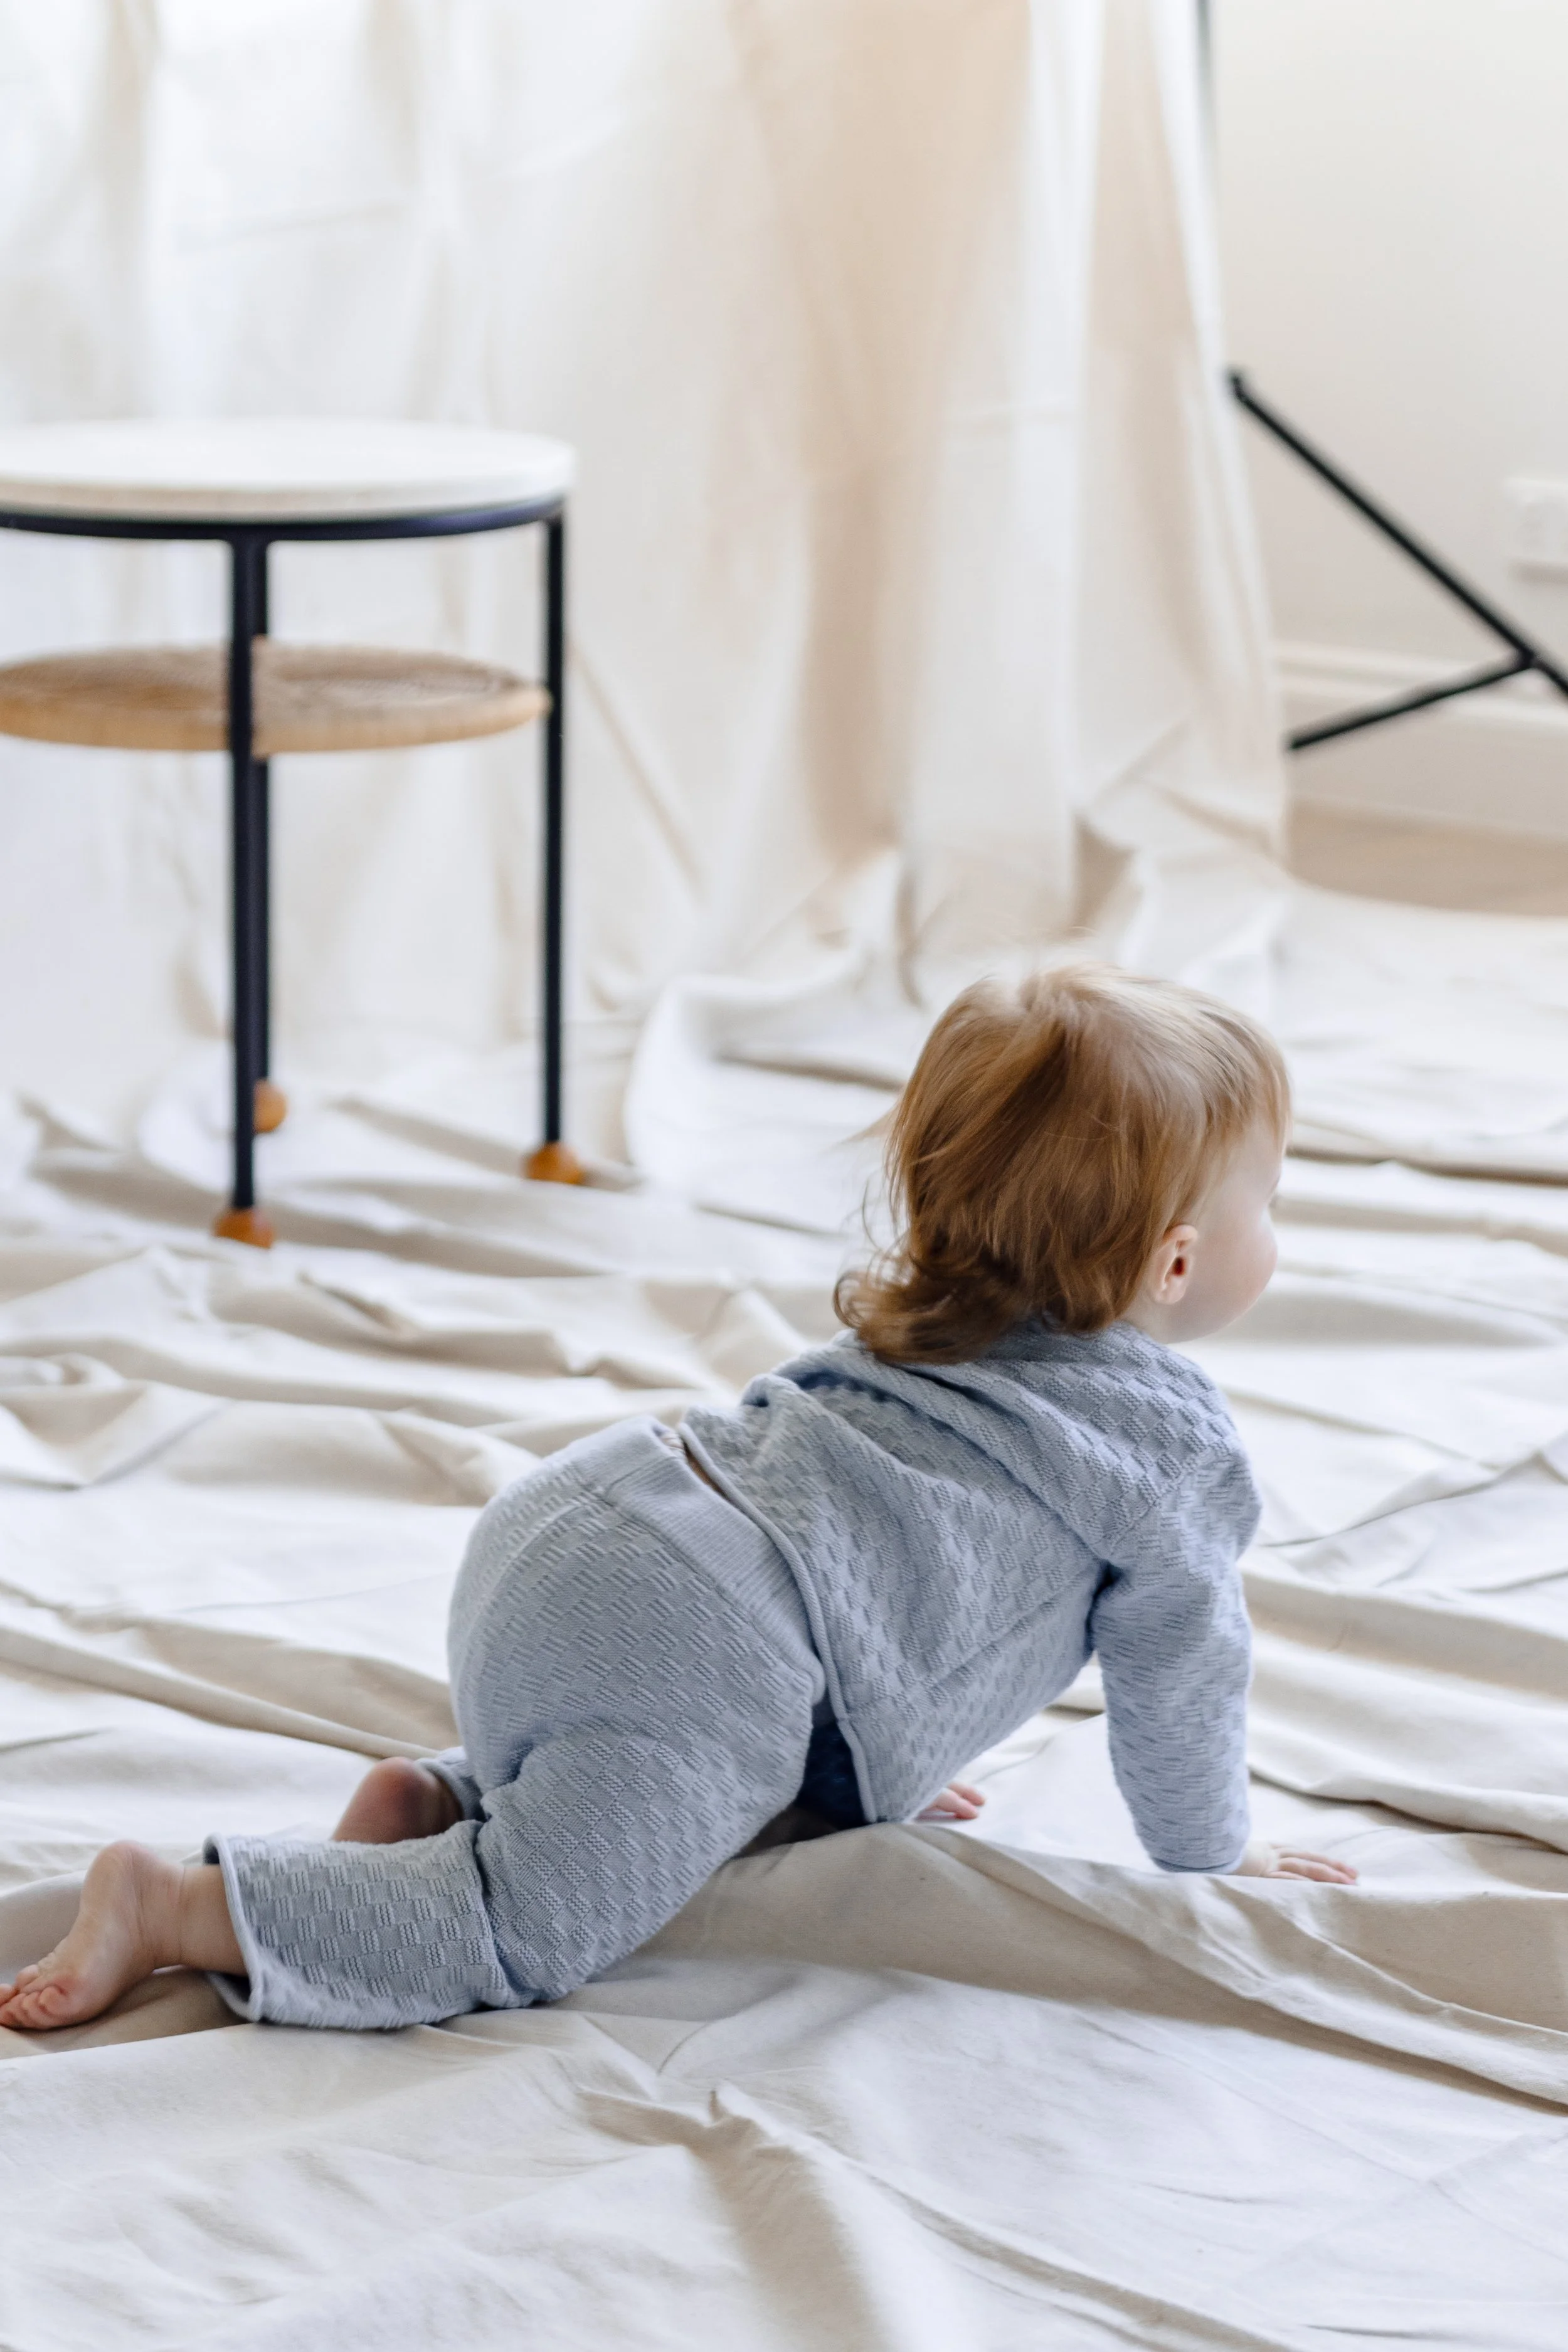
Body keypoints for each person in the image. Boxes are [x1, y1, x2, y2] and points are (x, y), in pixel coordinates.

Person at [0, 964, 1354, 2036]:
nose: (1276, 1229)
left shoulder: (925, 1321)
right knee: (527, 1929)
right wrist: (1210, 1850)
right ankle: (178, 1907)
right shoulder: (1166, 1447)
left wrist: (885, 1738)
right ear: (1173, 1266)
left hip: (588, 1513)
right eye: (1271, 1204)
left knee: (669, 1793)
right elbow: (1180, 1676)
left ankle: (433, 1806)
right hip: (698, 1636)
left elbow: (891, 1539)